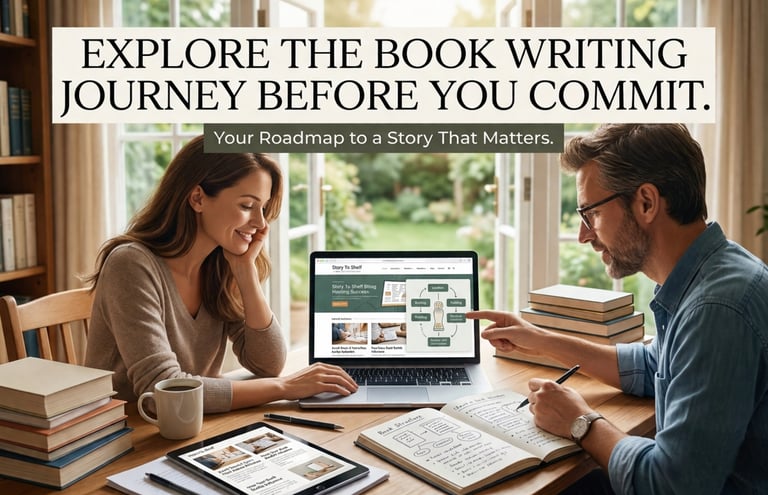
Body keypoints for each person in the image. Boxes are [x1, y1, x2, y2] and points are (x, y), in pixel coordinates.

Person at [467, 124, 768, 494]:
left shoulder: (716, 310)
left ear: (646, 203)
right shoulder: (713, 272)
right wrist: (541, 340)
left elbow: (669, 486)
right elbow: (654, 366)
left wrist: (580, 421)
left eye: (590, 213)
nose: (584, 235)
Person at [84, 135, 357, 414]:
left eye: (263, 208)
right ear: (198, 198)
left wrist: (245, 271)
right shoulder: (130, 264)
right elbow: (163, 390)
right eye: (247, 206)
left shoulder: (218, 265)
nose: (260, 222)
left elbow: (268, 363)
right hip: (128, 429)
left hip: (196, 424)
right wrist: (284, 387)